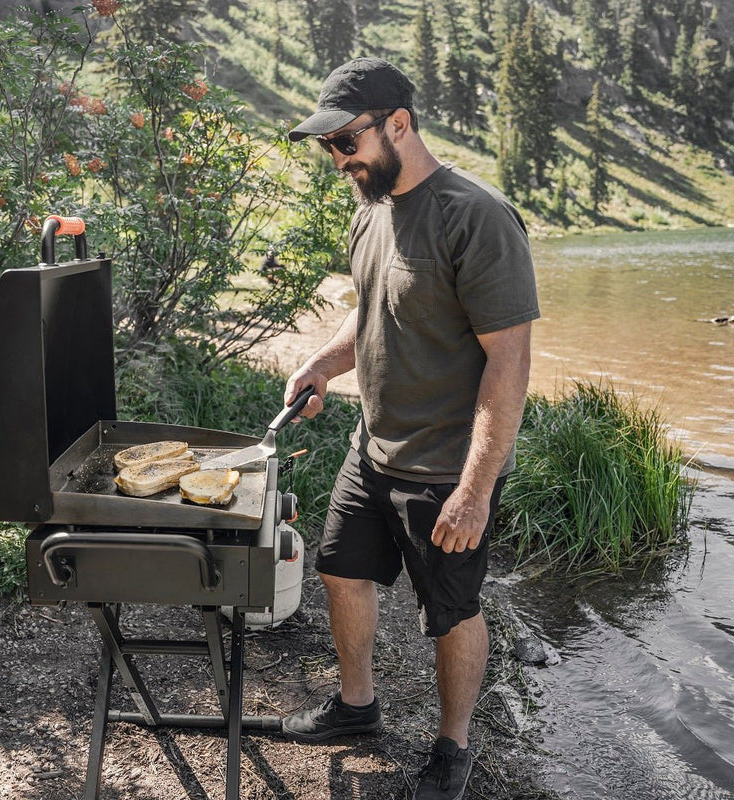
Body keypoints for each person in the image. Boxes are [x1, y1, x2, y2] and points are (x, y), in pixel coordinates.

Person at [280, 56, 539, 800]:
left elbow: (508, 365)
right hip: (374, 445)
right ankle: (358, 709)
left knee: (450, 612)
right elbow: (373, 309)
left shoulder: (476, 216)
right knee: (340, 569)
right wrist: (322, 366)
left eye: (346, 142)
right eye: (327, 146)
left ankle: (453, 749)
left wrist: (476, 489)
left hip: (446, 466)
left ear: (399, 124)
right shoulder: (373, 203)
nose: (337, 160)